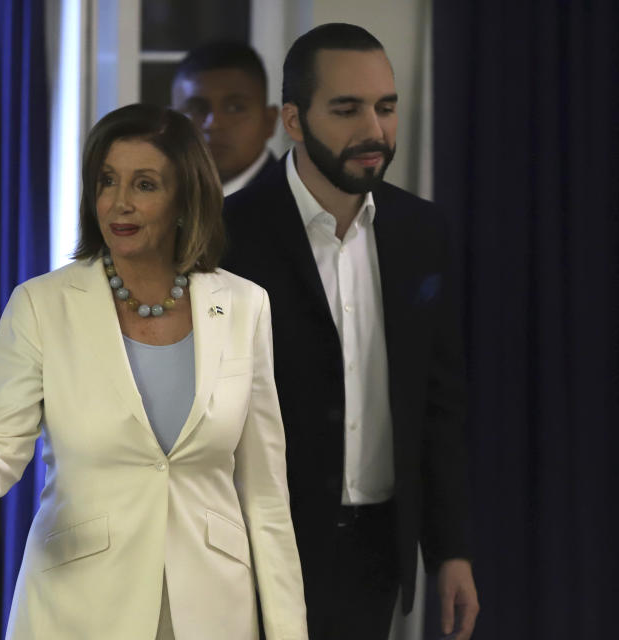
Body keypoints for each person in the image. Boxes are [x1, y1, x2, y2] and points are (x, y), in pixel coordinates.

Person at [0, 103, 308, 640]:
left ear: (185, 199)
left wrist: (289, 630)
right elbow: (0, 446)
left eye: (146, 184)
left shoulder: (245, 306)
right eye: (107, 181)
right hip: (78, 605)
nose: (120, 202)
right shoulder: (40, 304)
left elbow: (266, 495)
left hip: (213, 608)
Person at [222, 23, 479, 640]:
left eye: (385, 107)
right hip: (254, 545)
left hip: (377, 549)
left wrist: (450, 551)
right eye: (347, 109)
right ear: (292, 119)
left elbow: (439, 404)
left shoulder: (422, 232)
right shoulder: (228, 235)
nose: (375, 130)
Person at [172, 41, 279, 197]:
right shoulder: (158, 201)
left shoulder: (298, 208)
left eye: (235, 108)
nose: (213, 124)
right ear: (171, 124)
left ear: (269, 121)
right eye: (197, 109)